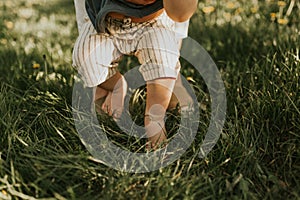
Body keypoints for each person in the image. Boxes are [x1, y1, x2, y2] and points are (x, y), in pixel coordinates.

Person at [72, 0, 197, 150]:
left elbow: (180, 13)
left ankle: (155, 120)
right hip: (105, 21)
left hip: (153, 23)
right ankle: (113, 84)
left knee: (163, 60)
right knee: (86, 59)